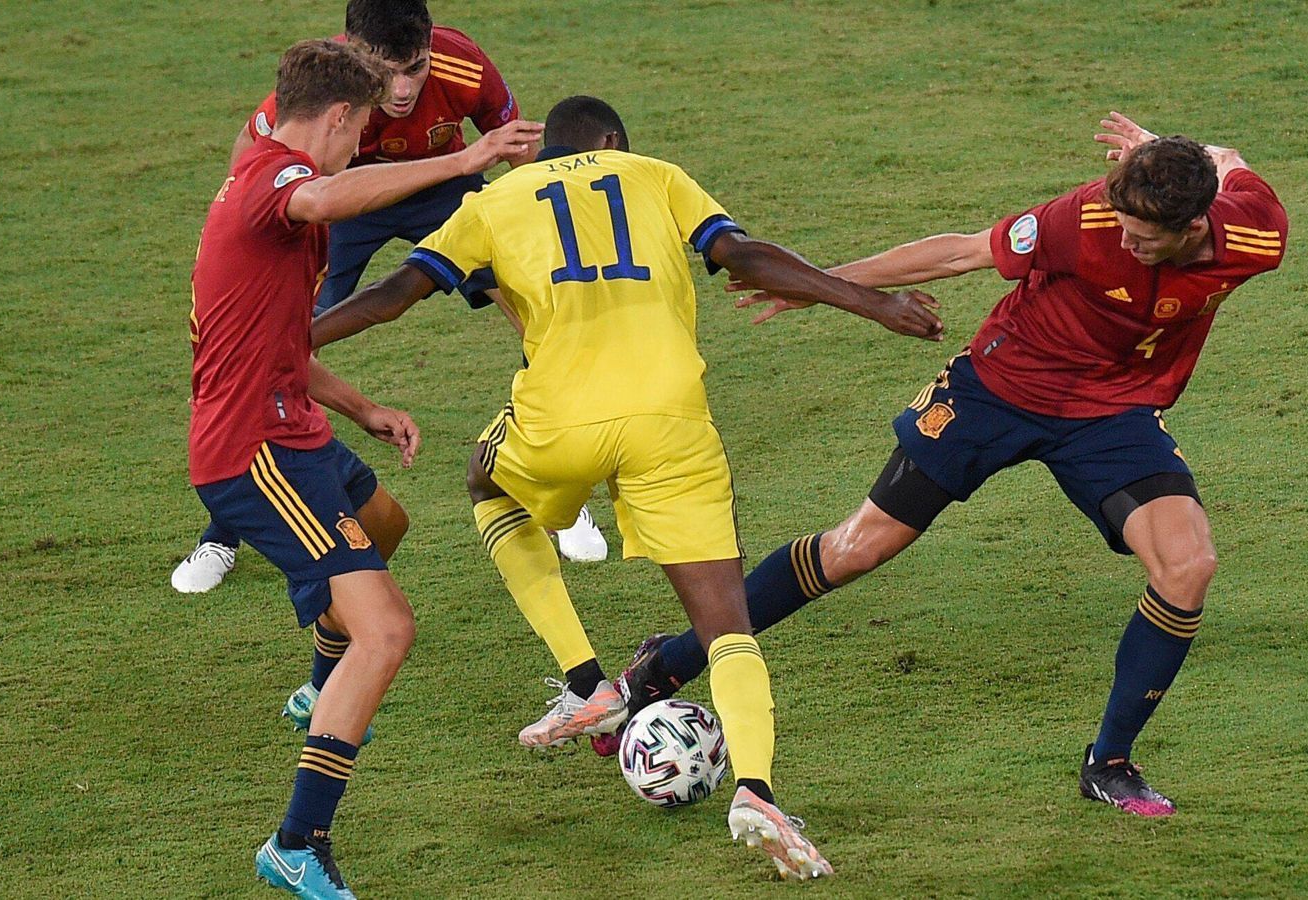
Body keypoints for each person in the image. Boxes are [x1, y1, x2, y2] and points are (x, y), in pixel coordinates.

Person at [310, 95, 943, 879]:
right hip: (671, 419)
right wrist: (874, 303)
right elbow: (744, 258)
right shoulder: (655, 175)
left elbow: (391, 296)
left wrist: (287, 340)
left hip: (559, 422)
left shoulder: (498, 199)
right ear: (613, 142)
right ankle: (757, 791)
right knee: (726, 627)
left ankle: (585, 682)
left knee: (485, 480)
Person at [614, 112, 1289, 819]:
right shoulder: (1082, 218)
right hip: (998, 390)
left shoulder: (1255, 230)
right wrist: (820, 285)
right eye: (1121, 223)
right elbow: (958, 253)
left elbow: (1228, 155)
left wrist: (1158, 146)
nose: (1121, 238)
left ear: (1193, 225)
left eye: (1142, 237)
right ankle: (668, 662)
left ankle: (1110, 762)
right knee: (856, 549)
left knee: (1188, 565)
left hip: (1110, 412)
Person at [186, 39, 539, 898]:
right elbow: (322, 192)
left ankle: (319, 690)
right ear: (337, 118)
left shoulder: (258, 167)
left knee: (386, 525)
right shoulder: (281, 185)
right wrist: (467, 157)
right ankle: (296, 844)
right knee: (386, 631)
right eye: (361, 132)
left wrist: (362, 408)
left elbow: (274, 343)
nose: (364, 147)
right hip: (252, 453)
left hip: (292, 424)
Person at [172, 0, 604, 598]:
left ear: (431, 45)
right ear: (353, 52)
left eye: (416, 68)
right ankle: (230, 524)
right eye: (386, 72)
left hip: (443, 189)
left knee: (538, 313)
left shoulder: (466, 68)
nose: (401, 92)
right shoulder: (325, 88)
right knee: (282, 341)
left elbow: (518, 150)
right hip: (341, 196)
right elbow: (254, 166)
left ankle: (563, 487)